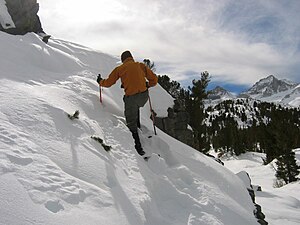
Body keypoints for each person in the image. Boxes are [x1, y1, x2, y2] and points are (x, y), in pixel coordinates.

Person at [97, 50, 158, 156]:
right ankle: (138, 126)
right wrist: (148, 85)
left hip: (132, 98)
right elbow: (154, 80)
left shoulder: (120, 69)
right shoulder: (140, 65)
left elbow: (108, 83)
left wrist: (100, 81)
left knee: (130, 122)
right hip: (143, 96)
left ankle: (139, 148)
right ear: (131, 57)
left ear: (123, 60)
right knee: (136, 107)